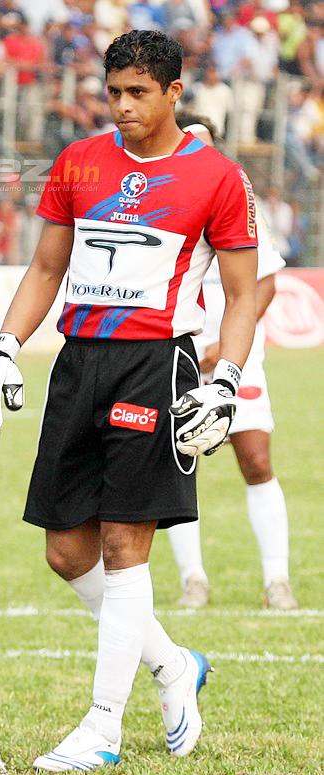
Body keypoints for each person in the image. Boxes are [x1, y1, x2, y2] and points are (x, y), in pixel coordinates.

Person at [0, 30, 258, 772]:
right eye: (113, 92)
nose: (123, 105)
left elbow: (240, 297)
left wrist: (225, 380)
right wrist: (3, 348)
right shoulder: (78, 162)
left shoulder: (219, 178)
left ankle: (102, 728)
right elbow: (46, 268)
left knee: (124, 545)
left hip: (156, 369)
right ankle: (173, 666)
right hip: (78, 364)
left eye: (138, 92)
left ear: (173, 93)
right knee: (65, 550)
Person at [167, 114, 298, 611]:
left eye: (205, 145)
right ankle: (193, 580)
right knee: (180, 469)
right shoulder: (161, 205)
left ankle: (277, 581)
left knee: (257, 461)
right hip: (176, 356)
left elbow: (266, 284)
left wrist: (225, 347)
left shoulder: (239, 202)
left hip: (237, 358)